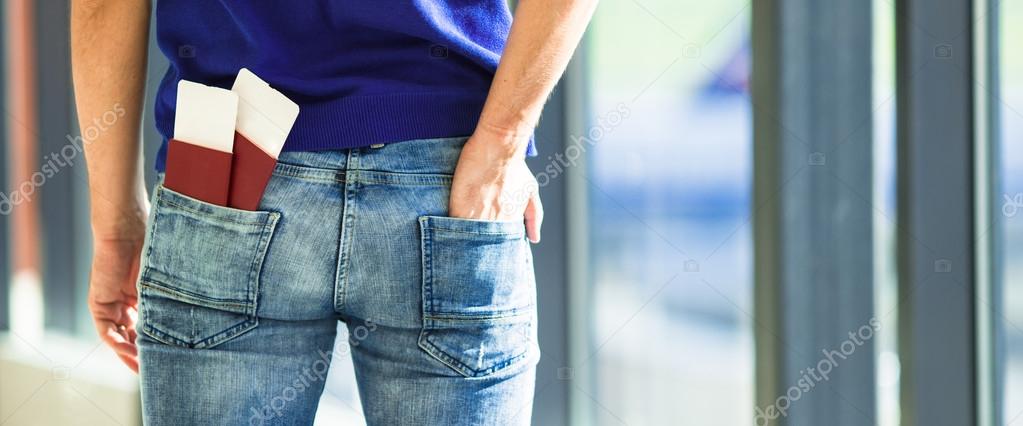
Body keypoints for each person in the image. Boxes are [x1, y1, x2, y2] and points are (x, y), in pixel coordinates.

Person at [70, 0, 595, 424]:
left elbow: (102, 7)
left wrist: (116, 224)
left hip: (228, 178)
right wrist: (501, 142)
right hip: (450, 180)